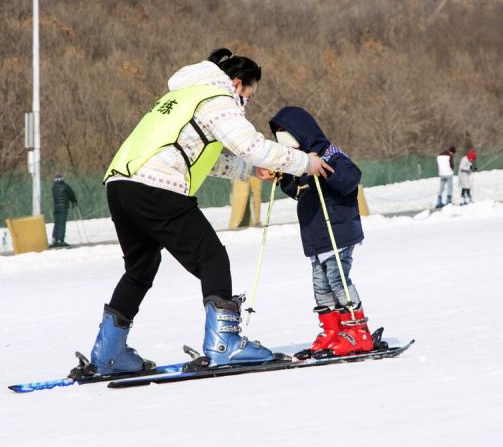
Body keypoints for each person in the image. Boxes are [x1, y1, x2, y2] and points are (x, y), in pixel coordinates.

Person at [88, 48, 333, 375]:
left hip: (121, 185)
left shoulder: (183, 96)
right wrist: (306, 163)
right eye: (249, 94)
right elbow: (252, 145)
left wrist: (250, 170)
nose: (246, 103)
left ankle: (109, 354)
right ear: (236, 83)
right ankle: (225, 343)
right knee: (212, 257)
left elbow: (200, 153)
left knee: (140, 268)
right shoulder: (217, 97)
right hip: (157, 185)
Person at [269, 106, 373, 358]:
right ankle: (332, 330)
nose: (282, 136)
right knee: (321, 285)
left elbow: (351, 178)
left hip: (337, 230)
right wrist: (284, 180)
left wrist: (325, 170)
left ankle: (357, 331)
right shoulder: (300, 162)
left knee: (338, 281)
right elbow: (300, 194)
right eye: (278, 132)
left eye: (286, 131)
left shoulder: (329, 152)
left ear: (301, 130)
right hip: (316, 235)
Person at [51, 174, 78, 247]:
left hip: (56, 207)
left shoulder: (53, 187)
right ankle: (60, 240)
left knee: (56, 223)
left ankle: (54, 239)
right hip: (63, 207)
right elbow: (71, 194)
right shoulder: (65, 186)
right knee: (62, 224)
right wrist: (74, 201)